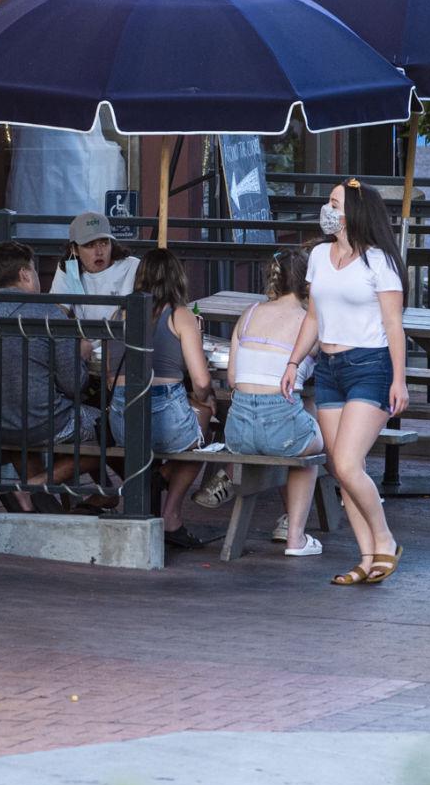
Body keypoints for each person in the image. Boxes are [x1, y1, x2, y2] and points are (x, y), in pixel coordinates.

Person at [281, 179, 409, 586]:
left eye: (334, 202)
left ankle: (385, 539)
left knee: (349, 464)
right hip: (330, 367)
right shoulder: (319, 255)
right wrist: (294, 361)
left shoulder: (379, 262)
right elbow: (314, 318)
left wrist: (400, 380)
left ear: (354, 210)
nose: (327, 208)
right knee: (340, 468)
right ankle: (367, 555)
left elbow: (394, 325)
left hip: (370, 365)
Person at [0, 240, 107, 505]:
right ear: (25, 274)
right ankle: (35, 486)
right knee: (115, 429)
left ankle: (42, 500)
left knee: (25, 413)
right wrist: (80, 355)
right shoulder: (49, 314)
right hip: (40, 423)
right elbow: (74, 386)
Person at [109, 247, 215, 549]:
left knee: (191, 417)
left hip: (122, 420)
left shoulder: (119, 313)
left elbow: (108, 377)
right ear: (177, 278)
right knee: (204, 424)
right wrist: (206, 399)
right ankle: (171, 514)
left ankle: (157, 475)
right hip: (165, 415)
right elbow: (202, 380)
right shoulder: (181, 315)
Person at [224, 245, 324, 556]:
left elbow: (231, 379)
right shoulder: (310, 320)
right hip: (281, 424)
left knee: (298, 422)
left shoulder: (249, 313)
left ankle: (227, 481)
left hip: (237, 432)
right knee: (314, 448)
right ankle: (295, 537)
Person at [49, 211, 140, 323]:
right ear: (74, 249)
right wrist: (77, 338)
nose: (99, 252)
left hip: (118, 338)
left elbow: (132, 314)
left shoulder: (132, 267)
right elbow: (58, 311)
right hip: (83, 337)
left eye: (104, 243)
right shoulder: (68, 269)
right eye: (90, 245)